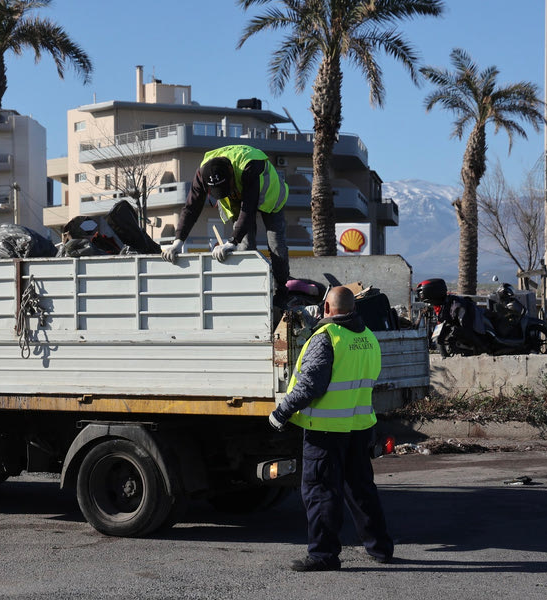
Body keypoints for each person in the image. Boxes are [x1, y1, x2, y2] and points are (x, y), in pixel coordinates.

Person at [269, 286, 393, 571]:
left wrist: (281, 413)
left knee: (321, 492)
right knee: (361, 490)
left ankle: (323, 556)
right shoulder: (367, 337)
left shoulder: (326, 338)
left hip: (325, 430)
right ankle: (381, 548)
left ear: (326, 309)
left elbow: (310, 385)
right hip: (359, 427)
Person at [160, 144, 290, 305]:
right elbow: (191, 208)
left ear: (231, 174)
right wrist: (178, 242)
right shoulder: (202, 174)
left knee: (276, 245)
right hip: (240, 197)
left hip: (269, 194)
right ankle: (250, 293)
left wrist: (232, 241)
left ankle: (282, 290)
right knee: (245, 247)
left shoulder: (249, 166)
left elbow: (248, 208)